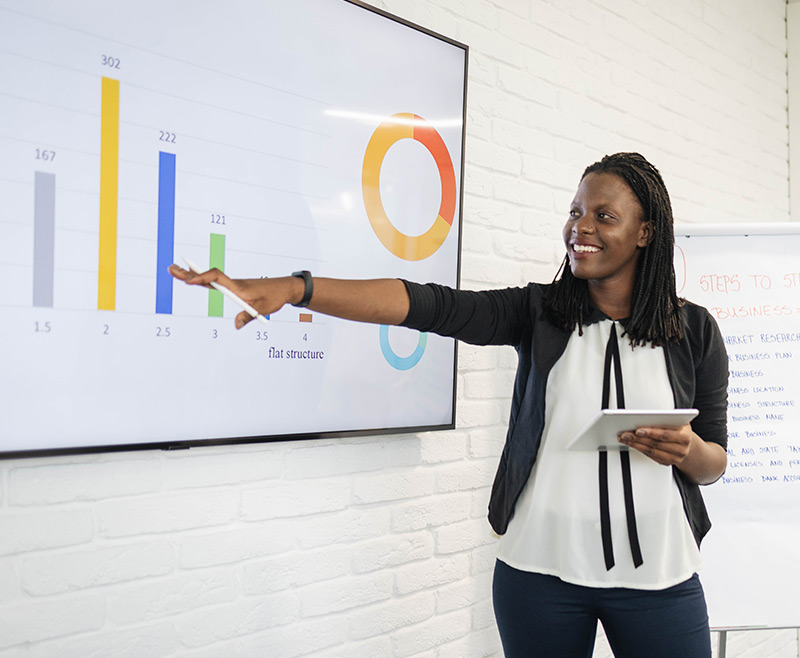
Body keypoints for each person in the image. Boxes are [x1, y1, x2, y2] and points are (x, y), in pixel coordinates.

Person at [169, 152, 728, 658]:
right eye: (576, 211)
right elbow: (426, 305)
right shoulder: (538, 311)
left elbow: (714, 463)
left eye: (603, 216)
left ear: (645, 232)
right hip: (540, 574)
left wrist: (687, 449)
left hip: (660, 576)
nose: (580, 227)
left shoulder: (694, 330)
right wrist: (298, 288)